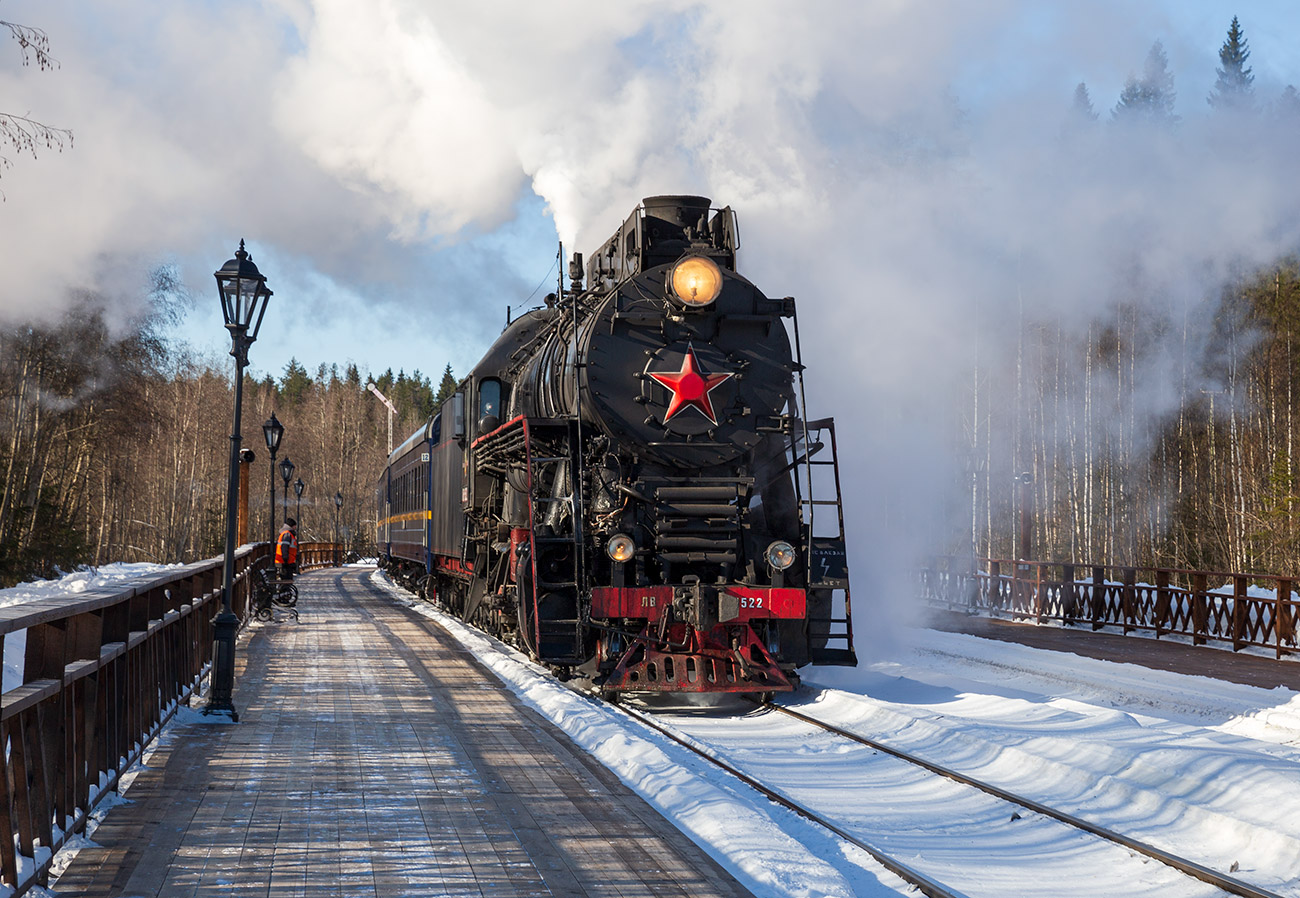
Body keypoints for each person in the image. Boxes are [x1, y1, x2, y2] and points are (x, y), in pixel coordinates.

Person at [275, 518, 299, 591]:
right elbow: (284, 547)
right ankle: (283, 597)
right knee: (286, 580)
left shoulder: (287, 534)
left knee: (286, 580)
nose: (295, 528)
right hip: (284, 562)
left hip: (286, 561)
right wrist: (285, 560)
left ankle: (285, 597)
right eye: (295, 526)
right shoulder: (287, 534)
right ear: (292, 526)